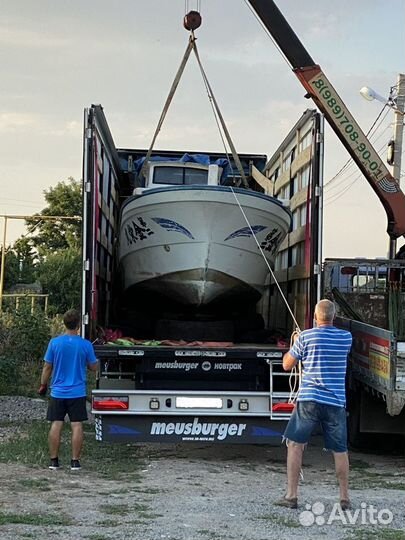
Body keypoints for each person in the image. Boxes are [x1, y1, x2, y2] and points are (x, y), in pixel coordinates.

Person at [275, 299, 352, 510]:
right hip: (336, 401)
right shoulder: (346, 338)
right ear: (334, 316)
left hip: (309, 399)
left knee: (295, 444)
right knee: (340, 449)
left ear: (316, 317)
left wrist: (297, 342)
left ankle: (291, 496)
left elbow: (286, 365)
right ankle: (344, 497)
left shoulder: (306, 337)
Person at [38, 309, 97, 471]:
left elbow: (47, 366)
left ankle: (54, 461)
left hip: (57, 391)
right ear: (79, 325)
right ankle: (75, 462)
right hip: (77, 392)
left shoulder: (54, 343)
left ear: (64, 323)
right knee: (76, 425)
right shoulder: (85, 345)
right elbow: (93, 367)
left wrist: (43, 384)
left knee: (56, 424)